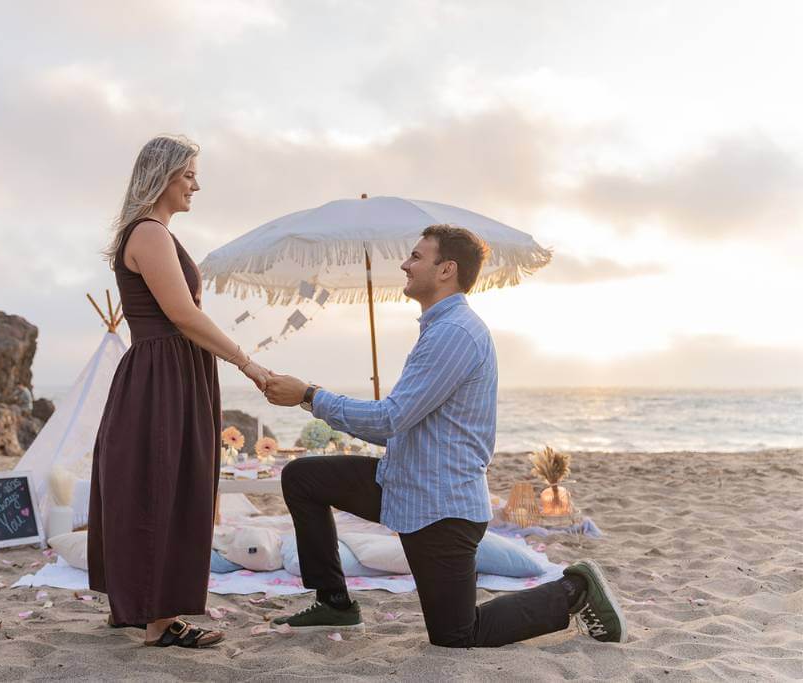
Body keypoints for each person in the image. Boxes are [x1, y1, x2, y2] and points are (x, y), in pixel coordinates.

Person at [263, 224, 626, 647]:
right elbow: (399, 429)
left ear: (446, 269)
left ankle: (575, 590)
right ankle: (336, 603)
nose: (405, 263)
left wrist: (309, 395)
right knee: (303, 478)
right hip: (403, 484)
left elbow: (389, 420)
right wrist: (318, 401)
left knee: (456, 634)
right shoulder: (438, 329)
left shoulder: (454, 334)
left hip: (442, 507)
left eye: (416, 256)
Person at [87, 135, 271, 648]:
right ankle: (159, 622)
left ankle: (142, 608)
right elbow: (183, 314)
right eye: (188, 174)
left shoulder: (156, 234)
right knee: (162, 483)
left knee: (167, 481)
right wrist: (247, 362)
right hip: (162, 374)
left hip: (174, 370)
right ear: (162, 176)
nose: (196, 184)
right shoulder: (148, 233)